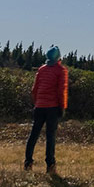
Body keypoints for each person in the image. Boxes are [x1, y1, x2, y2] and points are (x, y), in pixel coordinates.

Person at [24, 46, 68, 174]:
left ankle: (28, 163)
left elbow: (34, 89)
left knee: (33, 135)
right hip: (52, 108)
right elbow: (61, 91)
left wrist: (36, 103)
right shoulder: (61, 70)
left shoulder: (42, 69)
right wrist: (62, 107)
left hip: (39, 107)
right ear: (58, 57)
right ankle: (50, 166)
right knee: (50, 137)